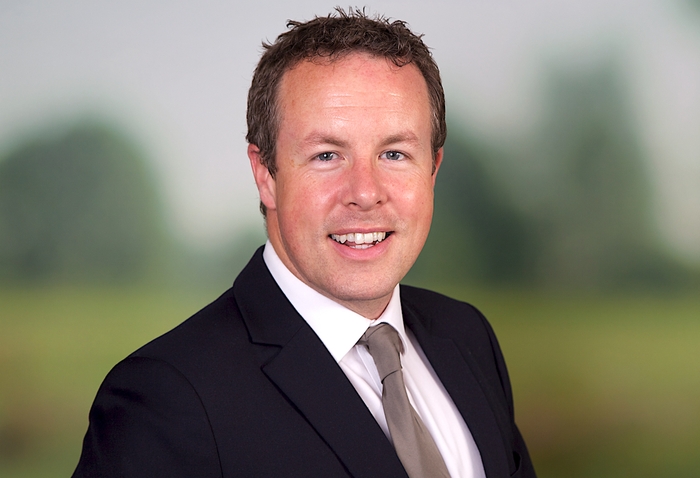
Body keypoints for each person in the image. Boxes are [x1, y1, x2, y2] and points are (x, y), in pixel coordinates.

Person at [73, 9, 536, 478]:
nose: (365, 193)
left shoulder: (467, 337)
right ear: (265, 175)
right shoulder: (165, 400)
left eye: (394, 154)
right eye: (327, 155)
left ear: (432, 170)